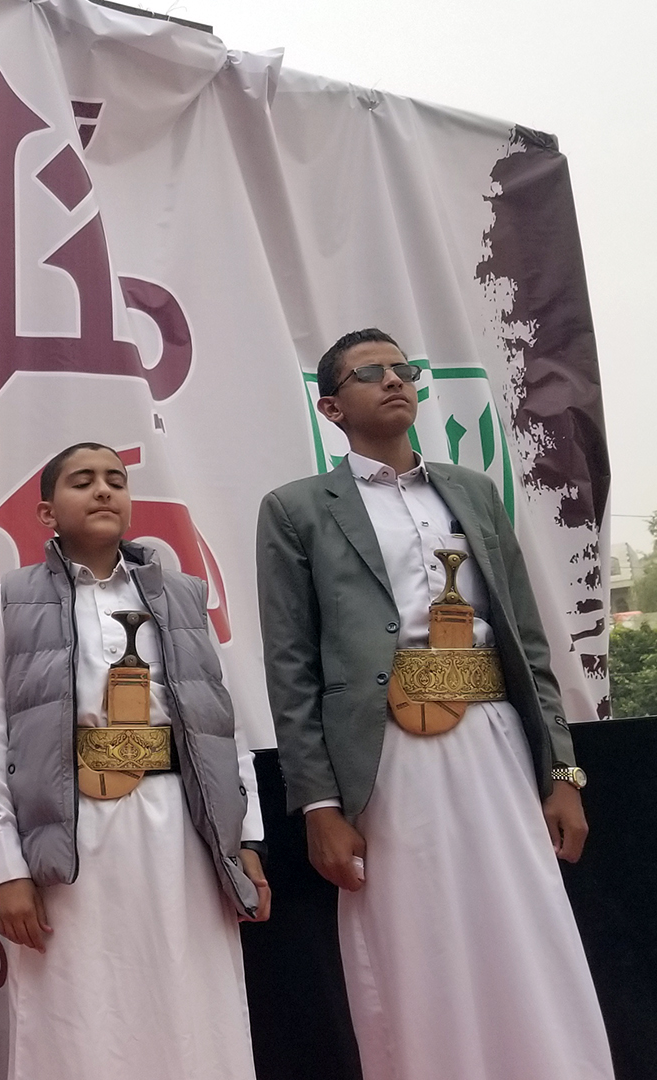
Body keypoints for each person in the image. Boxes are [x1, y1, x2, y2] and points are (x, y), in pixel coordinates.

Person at [256, 328, 611, 1080]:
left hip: (496, 742)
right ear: (331, 407)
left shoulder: (472, 491)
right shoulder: (297, 510)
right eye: (370, 373)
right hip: (387, 757)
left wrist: (562, 772)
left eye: (403, 369)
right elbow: (291, 669)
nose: (394, 380)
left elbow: (527, 642)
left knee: (523, 923)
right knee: (420, 937)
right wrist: (319, 805)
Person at [0, 442, 270, 1080]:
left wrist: (245, 839)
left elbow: (222, 726)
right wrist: (9, 870)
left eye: (116, 479)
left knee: (189, 1002)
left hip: (181, 833)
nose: (104, 490)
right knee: (81, 1009)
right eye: (82, 481)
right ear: (47, 512)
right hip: (72, 839)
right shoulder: (12, 600)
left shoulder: (183, 597)